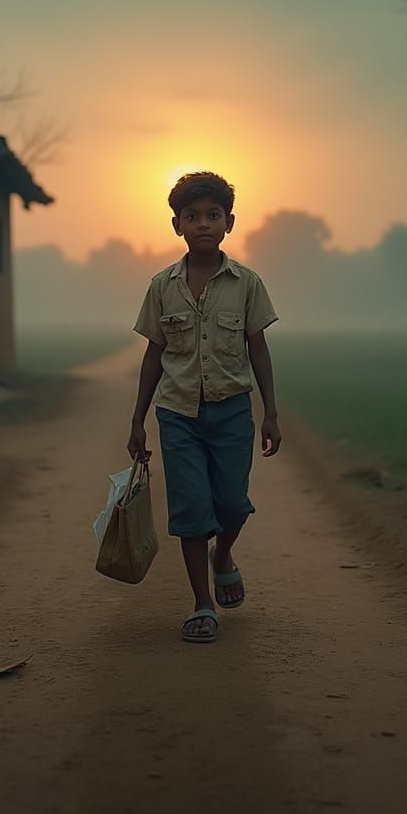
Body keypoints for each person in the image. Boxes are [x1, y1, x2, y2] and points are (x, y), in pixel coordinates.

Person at [127, 171, 281, 644]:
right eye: (191, 217)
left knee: (232, 503)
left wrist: (270, 412)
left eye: (213, 215)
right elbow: (154, 353)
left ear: (229, 222)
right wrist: (137, 420)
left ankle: (223, 557)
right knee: (192, 508)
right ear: (177, 226)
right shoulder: (162, 286)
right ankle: (202, 603)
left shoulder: (247, 283)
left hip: (232, 410)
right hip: (177, 415)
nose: (203, 224)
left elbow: (258, 348)